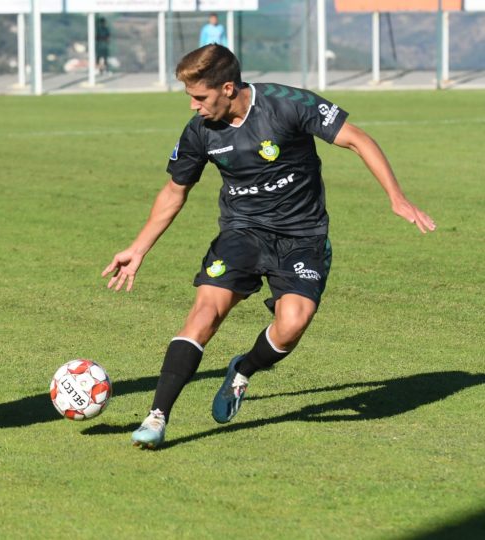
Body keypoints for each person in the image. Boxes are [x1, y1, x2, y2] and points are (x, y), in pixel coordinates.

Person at [102, 44, 435, 449]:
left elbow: (358, 140)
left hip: (303, 236)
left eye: (200, 97)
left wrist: (396, 197)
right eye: (190, 98)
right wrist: (139, 248)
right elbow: (175, 191)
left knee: (293, 323)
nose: (194, 106)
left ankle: (243, 368)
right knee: (205, 314)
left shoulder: (287, 104)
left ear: (228, 88)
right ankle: (157, 417)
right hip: (242, 233)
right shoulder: (200, 131)